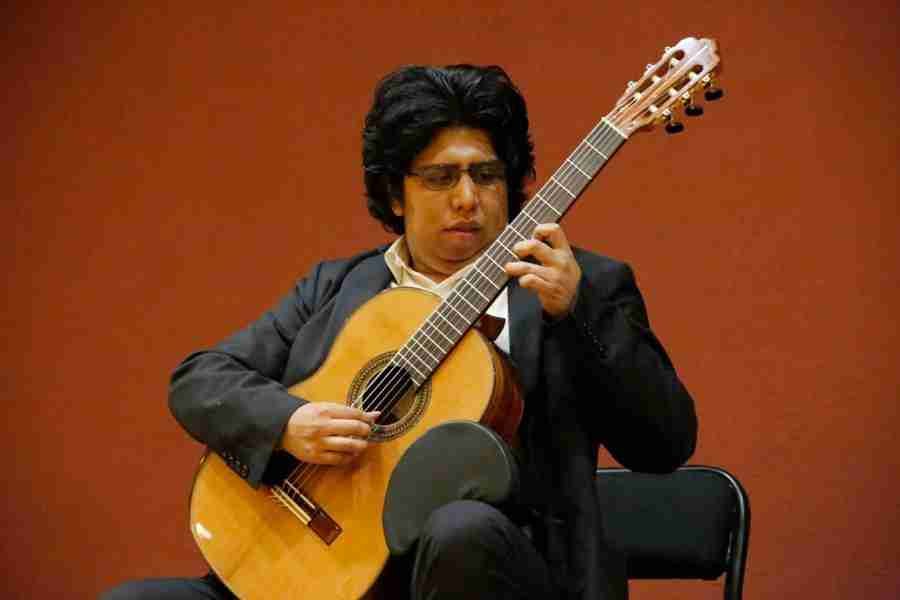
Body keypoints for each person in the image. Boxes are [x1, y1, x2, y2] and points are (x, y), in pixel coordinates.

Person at [102, 64, 696, 600]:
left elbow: (665, 441)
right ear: (394, 192)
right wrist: (287, 423)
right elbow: (200, 379)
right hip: (326, 568)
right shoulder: (337, 288)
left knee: (460, 528)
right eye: (441, 178)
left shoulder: (578, 285)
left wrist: (577, 310)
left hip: (501, 573)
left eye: (486, 176)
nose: (468, 199)